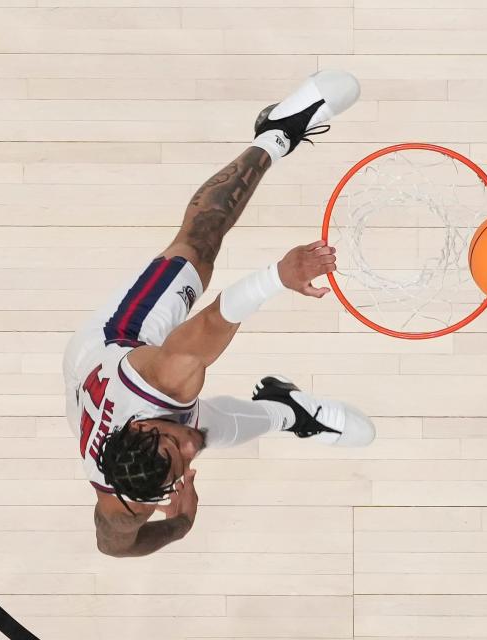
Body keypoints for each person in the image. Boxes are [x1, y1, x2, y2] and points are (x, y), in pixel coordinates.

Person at [62, 70, 375, 558]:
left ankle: (279, 130)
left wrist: (278, 275)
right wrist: (179, 526)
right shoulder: (130, 494)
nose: (188, 454)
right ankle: (287, 411)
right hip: (100, 403)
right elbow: (113, 546)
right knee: (204, 430)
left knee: (198, 246)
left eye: (173, 447)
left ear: (144, 426)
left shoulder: (165, 379)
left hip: (114, 343)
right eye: (175, 468)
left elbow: (216, 318)